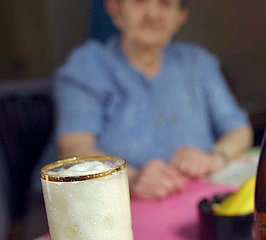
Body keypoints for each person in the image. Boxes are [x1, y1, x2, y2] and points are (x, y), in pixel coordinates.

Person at [54, 0, 253, 199]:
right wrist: (130, 178)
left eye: (165, 4)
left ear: (181, 16)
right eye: (139, 2)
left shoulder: (199, 63)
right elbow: (74, 147)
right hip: (117, 205)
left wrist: (213, 159)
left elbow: (240, 130)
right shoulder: (88, 66)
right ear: (115, 9)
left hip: (199, 199)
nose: (152, 15)